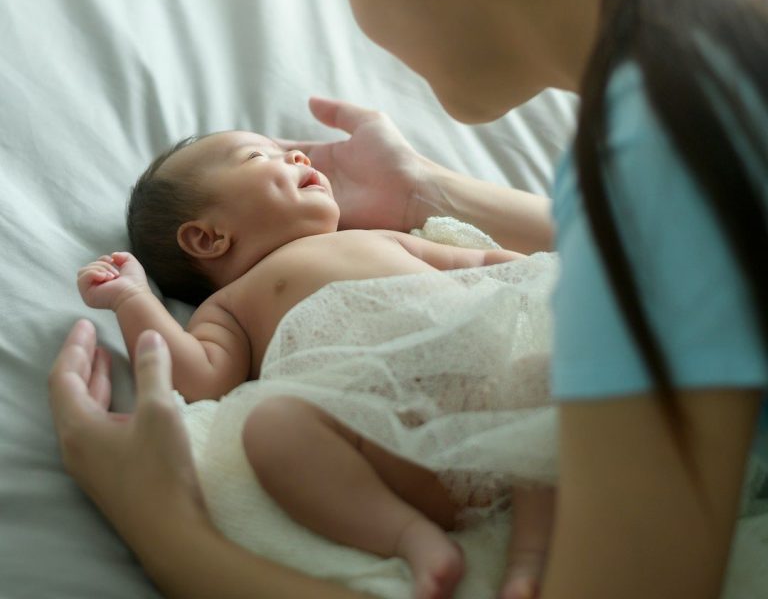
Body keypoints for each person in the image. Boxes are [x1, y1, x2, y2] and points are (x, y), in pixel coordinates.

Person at [49, 0, 768, 599]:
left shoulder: (664, 154)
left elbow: (652, 237)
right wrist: (427, 191)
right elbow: (678, 262)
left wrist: (171, 539)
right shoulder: (710, 78)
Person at [75, 129, 555, 599]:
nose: (298, 158)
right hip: (385, 441)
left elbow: (478, 264)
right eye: (257, 157)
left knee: (542, 369)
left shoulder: (376, 238)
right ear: (208, 237)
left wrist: (542, 273)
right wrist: (133, 299)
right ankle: (410, 537)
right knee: (272, 427)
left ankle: (530, 557)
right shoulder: (230, 306)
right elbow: (198, 380)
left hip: (491, 402)